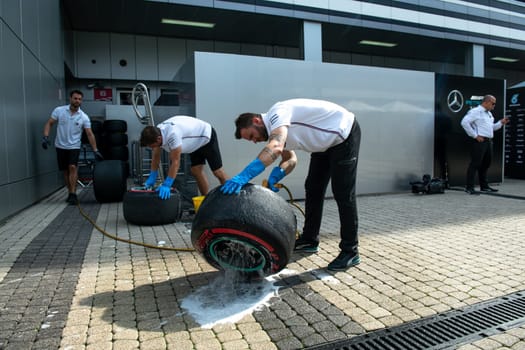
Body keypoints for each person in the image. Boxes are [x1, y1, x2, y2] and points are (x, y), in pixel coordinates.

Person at [221, 98, 361, 271]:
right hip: (324, 147)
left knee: (343, 192)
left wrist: (244, 175)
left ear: (256, 121)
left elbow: (276, 147)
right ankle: (310, 239)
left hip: (343, 134)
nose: (254, 141)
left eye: (251, 136)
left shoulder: (277, 113)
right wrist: (278, 173)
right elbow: (290, 159)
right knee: (313, 188)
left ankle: (350, 250)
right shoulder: (279, 130)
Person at [139, 116, 229, 200]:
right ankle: (205, 202)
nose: (151, 148)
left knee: (218, 172)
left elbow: (175, 162)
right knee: (196, 170)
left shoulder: (172, 135)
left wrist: (167, 184)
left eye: (151, 146)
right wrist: (152, 177)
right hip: (194, 140)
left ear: (158, 139)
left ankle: (232, 200)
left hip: (206, 135)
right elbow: (156, 157)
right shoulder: (157, 132)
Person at [42, 90, 103, 205]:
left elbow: (90, 134)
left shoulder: (83, 117)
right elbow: (49, 123)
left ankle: (73, 194)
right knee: (65, 171)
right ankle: (70, 192)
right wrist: (45, 137)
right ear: (70, 99)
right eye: (75, 98)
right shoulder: (59, 111)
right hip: (60, 145)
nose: (77, 101)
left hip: (74, 146)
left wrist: (95, 150)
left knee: (72, 167)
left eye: (79, 99)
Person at [460, 94, 509, 195]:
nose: (494, 106)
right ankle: (469, 187)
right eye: (493, 103)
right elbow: (464, 122)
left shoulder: (489, 114)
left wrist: (501, 123)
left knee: (486, 164)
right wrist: (475, 136)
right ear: (486, 102)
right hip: (479, 142)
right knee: (475, 164)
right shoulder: (475, 111)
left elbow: (492, 128)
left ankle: (484, 186)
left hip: (488, 141)